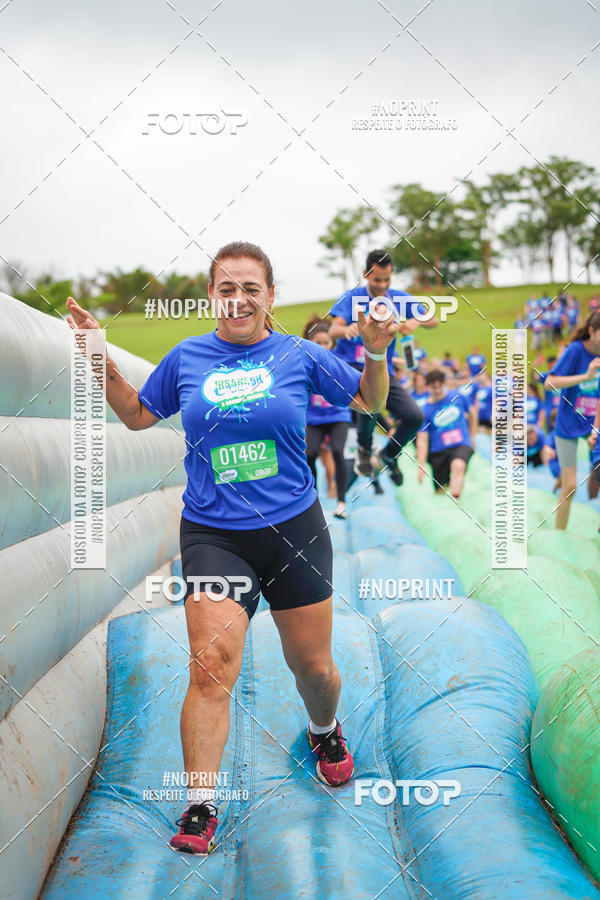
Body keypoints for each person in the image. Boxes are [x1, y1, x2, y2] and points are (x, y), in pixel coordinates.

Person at [66, 241, 397, 856]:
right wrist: (97, 356)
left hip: (294, 530)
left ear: (270, 297)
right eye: (226, 287)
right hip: (216, 536)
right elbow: (139, 415)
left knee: (315, 670)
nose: (238, 298)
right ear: (211, 295)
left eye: (251, 287)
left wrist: (376, 352)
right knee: (210, 669)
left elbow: (370, 402)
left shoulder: (299, 354)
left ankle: (324, 729)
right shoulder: (188, 357)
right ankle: (200, 805)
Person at [328, 249, 438, 485]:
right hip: (353, 369)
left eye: (387, 279)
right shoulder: (353, 297)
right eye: (377, 280)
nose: (382, 285)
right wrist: (345, 330)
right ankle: (364, 449)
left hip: (382, 369)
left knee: (414, 416)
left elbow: (433, 319)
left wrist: (415, 321)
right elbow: (332, 329)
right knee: (371, 404)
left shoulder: (397, 298)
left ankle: (389, 454)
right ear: (366, 274)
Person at [545, 311, 600, 529]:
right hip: (567, 425)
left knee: (596, 478)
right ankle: (559, 534)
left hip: (594, 424)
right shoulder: (575, 351)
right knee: (569, 486)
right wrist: (585, 377)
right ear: (591, 331)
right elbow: (549, 383)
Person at [303, 318, 351, 519]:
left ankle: (341, 502)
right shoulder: (303, 364)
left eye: (326, 343)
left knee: (338, 452)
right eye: (318, 343)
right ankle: (313, 502)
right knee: (310, 454)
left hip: (338, 416)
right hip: (315, 420)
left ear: (332, 343)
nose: (322, 347)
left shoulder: (338, 362)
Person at [416, 369, 473, 498]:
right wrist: (421, 464)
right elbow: (422, 440)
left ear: (444, 384)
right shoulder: (425, 410)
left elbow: (472, 412)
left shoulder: (457, 397)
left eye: (439, 386)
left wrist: (472, 435)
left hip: (461, 444)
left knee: (458, 466)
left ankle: (456, 500)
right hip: (438, 451)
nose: (437, 390)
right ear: (427, 387)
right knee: (440, 491)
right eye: (433, 387)